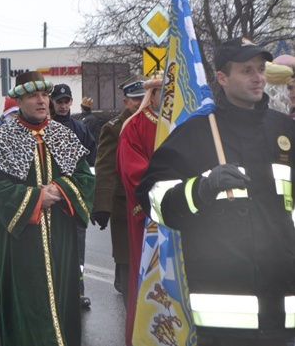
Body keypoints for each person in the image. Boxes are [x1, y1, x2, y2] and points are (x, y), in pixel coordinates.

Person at [136, 38, 295, 345]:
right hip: (225, 315)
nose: (258, 77)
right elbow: (154, 199)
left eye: (261, 69)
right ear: (222, 78)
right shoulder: (195, 133)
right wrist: (203, 188)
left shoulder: (284, 130)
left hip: (285, 307)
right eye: (246, 70)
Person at [0, 71, 94, 346]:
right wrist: (36, 198)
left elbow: (85, 179)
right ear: (19, 100)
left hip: (60, 240)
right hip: (20, 243)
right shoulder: (2, 139)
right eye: (33, 96)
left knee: (61, 303)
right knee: (29, 306)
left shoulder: (63, 135)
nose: (42, 101)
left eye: (45, 95)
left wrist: (60, 191)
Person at [91, 75, 146, 305]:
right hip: (126, 206)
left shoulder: (158, 123)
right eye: (136, 100)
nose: (141, 103)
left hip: (153, 204)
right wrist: (102, 206)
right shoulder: (114, 129)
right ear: (126, 102)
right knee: (127, 259)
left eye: (145, 97)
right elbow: (105, 168)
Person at [116, 74, 162, 346]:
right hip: (150, 216)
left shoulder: (185, 123)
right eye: (163, 93)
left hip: (189, 215)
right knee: (148, 279)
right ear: (152, 96)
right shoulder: (134, 126)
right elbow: (135, 174)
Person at [50, 82, 97, 309]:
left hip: (75, 197)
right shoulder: (45, 126)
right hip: (51, 197)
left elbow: (91, 159)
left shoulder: (80, 128)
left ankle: (77, 291)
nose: (62, 105)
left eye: (66, 101)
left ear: (71, 102)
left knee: (77, 246)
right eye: (58, 101)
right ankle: (53, 292)